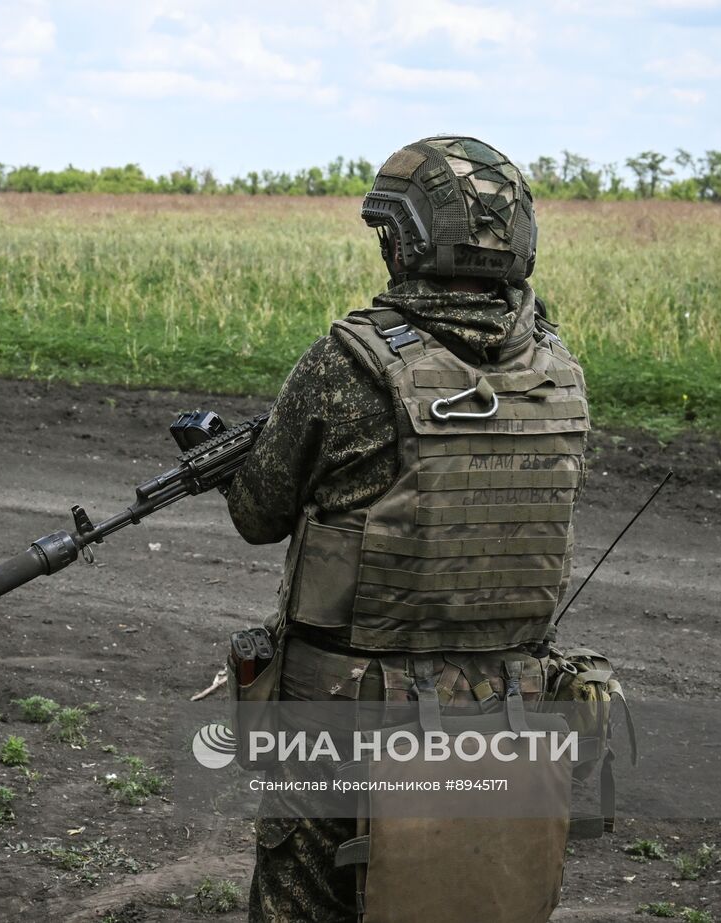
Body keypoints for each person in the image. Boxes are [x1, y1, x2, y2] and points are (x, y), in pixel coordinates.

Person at [224, 136, 591, 922]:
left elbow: (257, 513)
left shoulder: (346, 361)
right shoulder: (558, 370)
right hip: (509, 710)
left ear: (404, 239)